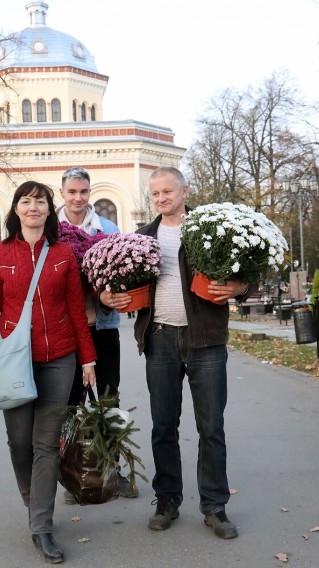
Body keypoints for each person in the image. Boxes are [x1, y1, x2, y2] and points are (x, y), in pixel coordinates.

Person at [108, 166, 251, 539]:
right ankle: (167, 498)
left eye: (168, 192)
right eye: (155, 194)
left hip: (205, 341)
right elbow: (119, 287)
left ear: (185, 191)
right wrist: (112, 295)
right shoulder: (141, 239)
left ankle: (215, 506)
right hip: (159, 341)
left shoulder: (210, 232)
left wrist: (240, 287)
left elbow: (248, 272)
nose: (161, 199)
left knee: (211, 427)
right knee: (163, 426)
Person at [0, 181, 97, 564]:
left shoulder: (64, 254)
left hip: (59, 360)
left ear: (48, 210)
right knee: (19, 443)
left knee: (45, 444)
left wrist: (87, 359)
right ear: (16, 210)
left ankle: (41, 525)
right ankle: (34, 500)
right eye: (26, 201)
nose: (33, 207)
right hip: (13, 362)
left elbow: (76, 310)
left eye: (40, 201)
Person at [56, 166, 138, 501]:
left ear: (90, 193)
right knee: (70, 402)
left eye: (84, 192)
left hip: (101, 328)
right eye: (72, 192)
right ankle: (73, 475)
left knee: (108, 398)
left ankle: (111, 471)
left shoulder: (107, 229)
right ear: (62, 193)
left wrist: (111, 293)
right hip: (66, 331)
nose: (78, 198)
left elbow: (124, 275)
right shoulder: (52, 230)